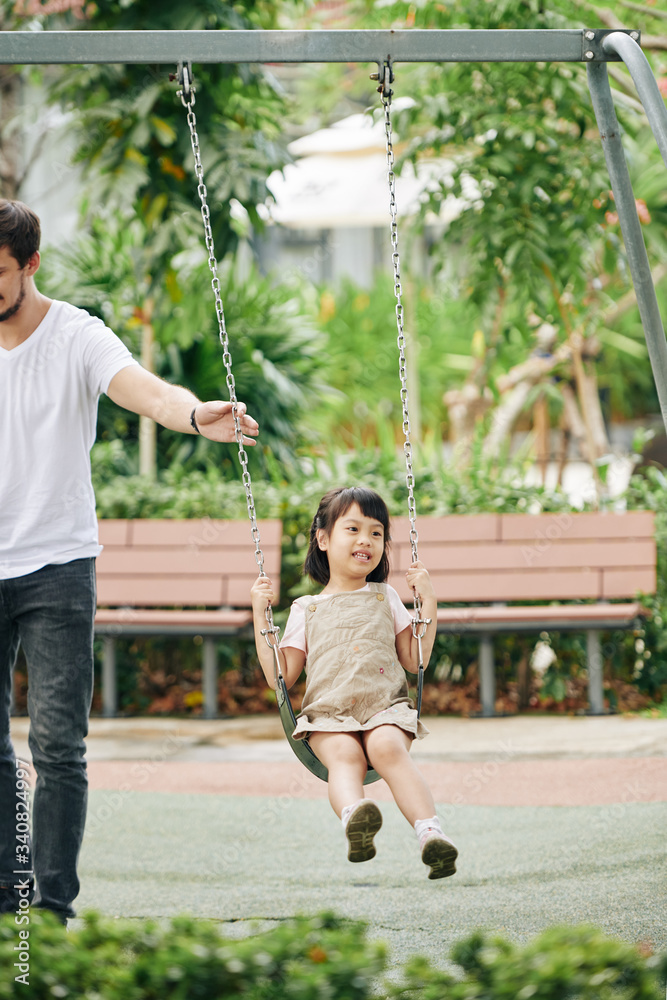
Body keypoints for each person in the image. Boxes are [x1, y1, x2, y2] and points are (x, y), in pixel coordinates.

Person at [0, 199, 259, 924]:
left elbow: (141, 388)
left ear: (30, 265)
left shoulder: (76, 335)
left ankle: (50, 909)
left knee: (57, 745)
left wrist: (193, 413)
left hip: (56, 565)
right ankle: (3, 895)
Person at [251, 486, 458, 880]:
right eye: (353, 529)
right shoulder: (304, 609)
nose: (366, 539)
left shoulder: (387, 597)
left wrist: (427, 602)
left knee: (387, 749)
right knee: (344, 757)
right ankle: (355, 818)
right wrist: (262, 619)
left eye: (376, 532)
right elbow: (282, 675)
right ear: (324, 539)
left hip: (385, 708)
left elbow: (416, 660)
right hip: (329, 715)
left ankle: (430, 833)